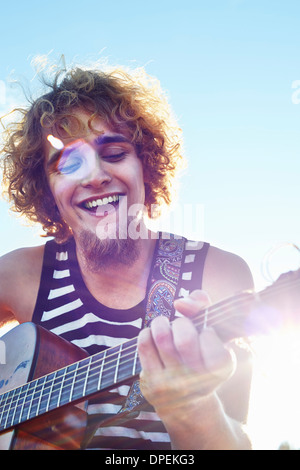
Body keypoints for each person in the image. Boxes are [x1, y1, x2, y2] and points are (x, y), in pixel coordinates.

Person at [0, 64, 254, 450]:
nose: (94, 176)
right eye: (68, 164)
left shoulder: (218, 276)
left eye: (115, 152)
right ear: (47, 190)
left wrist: (193, 408)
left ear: (146, 167)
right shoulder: (19, 276)